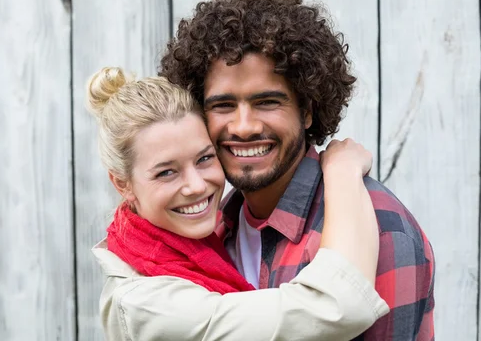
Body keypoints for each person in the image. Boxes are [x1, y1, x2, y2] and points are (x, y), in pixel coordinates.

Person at [159, 0, 436, 341]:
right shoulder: (213, 228)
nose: (244, 127)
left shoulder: (377, 230)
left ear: (307, 111)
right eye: (223, 105)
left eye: (267, 102)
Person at [89, 67, 389, 341]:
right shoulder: (148, 304)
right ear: (122, 184)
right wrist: (342, 172)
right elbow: (336, 307)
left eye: (204, 158)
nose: (196, 186)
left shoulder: (212, 239)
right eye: (166, 172)